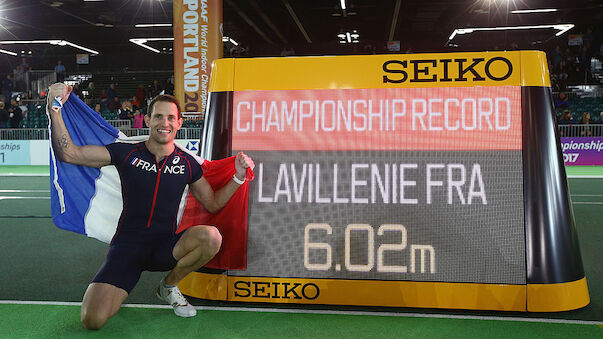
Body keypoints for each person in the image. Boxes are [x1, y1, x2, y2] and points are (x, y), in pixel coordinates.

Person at [47, 83, 254, 329]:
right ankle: (120, 285)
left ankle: (168, 286)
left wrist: (238, 177)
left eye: (170, 118)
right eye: (158, 116)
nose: (164, 123)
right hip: (126, 249)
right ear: (147, 120)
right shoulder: (126, 153)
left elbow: (213, 203)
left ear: (179, 124)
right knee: (93, 320)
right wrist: (54, 108)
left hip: (166, 248)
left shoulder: (188, 164)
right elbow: (70, 154)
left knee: (211, 237)